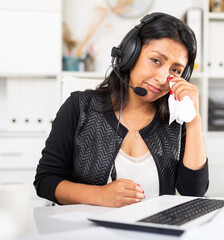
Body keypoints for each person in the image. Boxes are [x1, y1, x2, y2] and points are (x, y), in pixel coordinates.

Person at [34, 12, 208, 208]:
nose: (162, 78)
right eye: (156, 61)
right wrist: (98, 195)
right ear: (130, 54)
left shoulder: (175, 119)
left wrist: (193, 120)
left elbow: (193, 192)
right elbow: (45, 181)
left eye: (175, 70)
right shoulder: (80, 107)